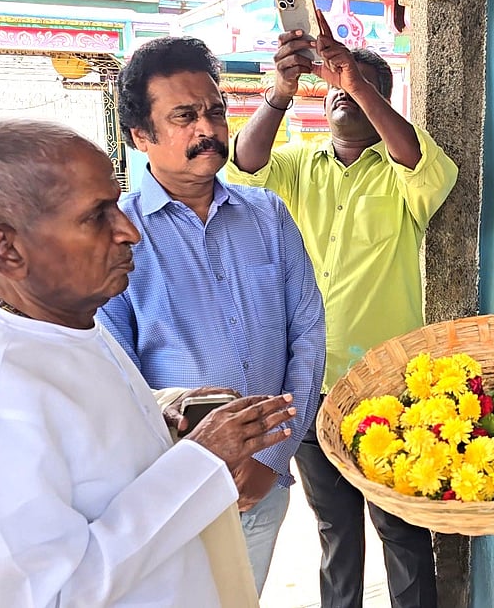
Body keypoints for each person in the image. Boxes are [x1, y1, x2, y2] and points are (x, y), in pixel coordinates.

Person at [0, 117, 295, 606]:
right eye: (97, 215)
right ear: (5, 250)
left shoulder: (69, 326)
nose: (129, 231)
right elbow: (48, 596)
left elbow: (92, 437)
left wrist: (165, 409)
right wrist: (202, 460)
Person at [227, 12, 458, 608]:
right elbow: (245, 165)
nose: (339, 94)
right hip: (312, 384)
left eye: (354, 88)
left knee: (401, 529)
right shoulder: (299, 167)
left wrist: (357, 79)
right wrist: (281, 92)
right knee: (335, 531)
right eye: (332, 87)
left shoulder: (405, 172)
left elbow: (418, 160)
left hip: (385, 387)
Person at [99, 35, 325, 596]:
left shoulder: (266, 214)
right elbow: (116, 374)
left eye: (215, 111)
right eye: (184, 116)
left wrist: (271, 457)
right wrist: (197, 465)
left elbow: (309, 335)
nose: (208, 129)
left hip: (262, 484)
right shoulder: (120, 233)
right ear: (140, 135)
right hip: (168, 489)